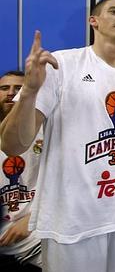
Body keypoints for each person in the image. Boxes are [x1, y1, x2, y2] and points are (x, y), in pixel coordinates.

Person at [0, 0, 115, 271]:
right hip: (74, 223)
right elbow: (13, 144)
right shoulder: (61, 65)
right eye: (114, 11)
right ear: (93, 21)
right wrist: (30, 93)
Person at [0, 71, 42, 269]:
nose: (11, 93)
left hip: (39, 231)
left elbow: (66, 184)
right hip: (6, 240)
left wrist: (33, 218)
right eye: (4, 88)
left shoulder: (45, 131)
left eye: (18, 88)